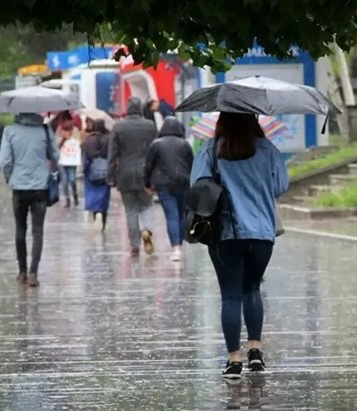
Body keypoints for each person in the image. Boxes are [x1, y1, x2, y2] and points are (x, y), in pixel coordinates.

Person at [190, 112, 289, 379]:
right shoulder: (268, 149)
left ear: (222, 121)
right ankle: (255, 351)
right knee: (252, 288)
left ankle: (234, 360)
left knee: (231, 295)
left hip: (226, 233)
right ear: (253, 120)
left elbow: (197, 187)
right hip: (262, 234)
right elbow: (280, 186)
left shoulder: (211, 149)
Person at [0, 113, 59, 287]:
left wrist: (10, 178)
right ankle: (34, 272)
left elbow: (4, 161)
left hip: (19, 188)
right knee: (38, 231)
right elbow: (55, 155)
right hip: (40, 187)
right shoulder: (45, 131)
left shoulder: (9, 131)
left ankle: (22, 272)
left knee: (20, 229)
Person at [108, 97, 158, 257]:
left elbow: (112, 155)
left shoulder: (118, 127)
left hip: (125, 174)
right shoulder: (150, 126)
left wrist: (111, 177)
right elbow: (155, 151)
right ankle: (146, 229)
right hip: (146, 174)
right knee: (147, 205)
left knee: (131, 210)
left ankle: (135, 245)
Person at [143, 116, 194, 261]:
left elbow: (148, 166)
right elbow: (192, 164)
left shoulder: (156, 144)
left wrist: (147, 183)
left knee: (171, 215)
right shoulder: (185, 144)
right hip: (183, 183)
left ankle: (176, 248)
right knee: (181, 215)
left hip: (164, 185)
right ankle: (180, 245)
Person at [82, 119, 112, 231]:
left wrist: (85, 170)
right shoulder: (109, 139)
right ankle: (103, 220)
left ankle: (96, 215)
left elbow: (85, 158)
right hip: (105, 172)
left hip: (92, 172)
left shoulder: (88, 140)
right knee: (104, 196)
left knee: (93, 195)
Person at [56, 113, 81, 208]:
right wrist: (63, 139)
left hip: (72, 159)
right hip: (62, 159)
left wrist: (71, 138)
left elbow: (78, 144)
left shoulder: (75, 130)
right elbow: (56, 145)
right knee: (64, 180)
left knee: (72, 179)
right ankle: (67, 199)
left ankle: (75, 195)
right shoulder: (59, 130)